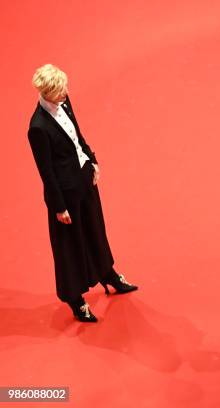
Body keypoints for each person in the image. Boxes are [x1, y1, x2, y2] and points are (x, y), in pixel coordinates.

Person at [27, 64, 138, 323]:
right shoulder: (37, 128)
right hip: (65, 195)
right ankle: (75, 300)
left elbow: (76, 134)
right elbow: (46, 172)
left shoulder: (64, 101)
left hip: (84, 178)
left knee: (96, 231)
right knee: (69, 247)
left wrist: (92, 159)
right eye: (59, 91)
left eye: (65, 87)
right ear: (47, 93)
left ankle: (108, 275)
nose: (66, 92)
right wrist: (58, 207)